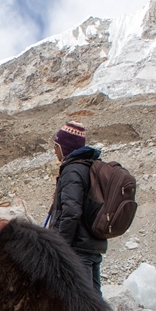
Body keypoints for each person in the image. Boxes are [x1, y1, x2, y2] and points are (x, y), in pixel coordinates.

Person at [46, 121, 106, 292]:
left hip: (77, 248)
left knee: (82, 302)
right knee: (94, 300)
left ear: (66, 148)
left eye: (56, 146)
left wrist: (60, 247)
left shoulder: (72, 171)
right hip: (91, 245)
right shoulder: (89, 167)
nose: (54, 151)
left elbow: (71, 211)